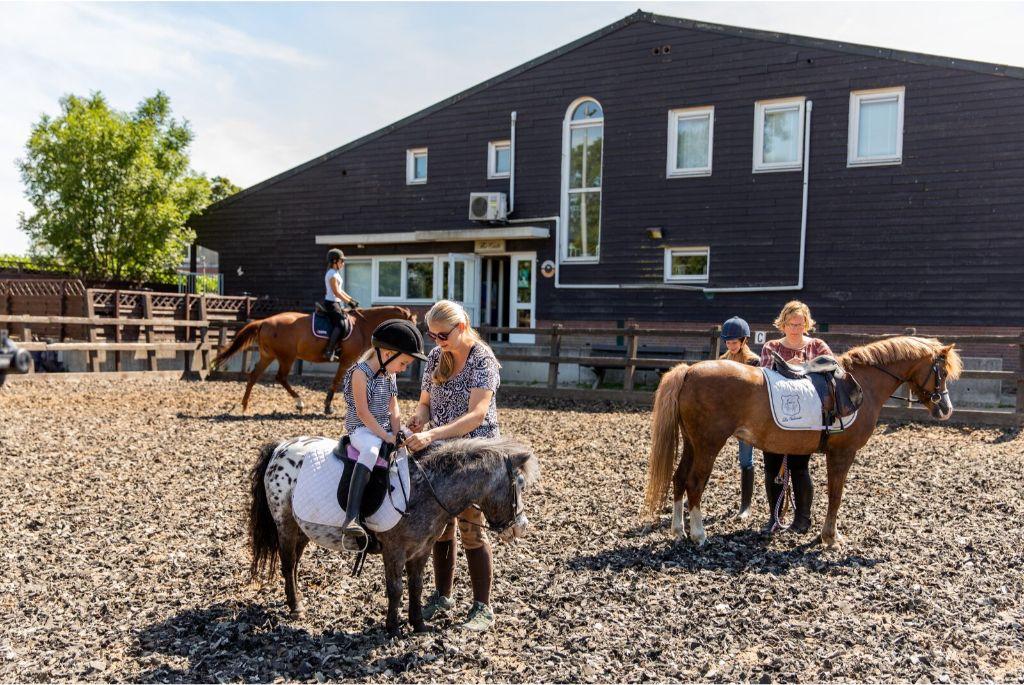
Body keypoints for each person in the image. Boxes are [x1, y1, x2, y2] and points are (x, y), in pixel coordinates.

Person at [404, 300, 502, 632]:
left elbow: (477, 415)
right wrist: (419, 419)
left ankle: (482, 606)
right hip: (439, 448)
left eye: (442, 334)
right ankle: (442, 595)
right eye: (431, 335)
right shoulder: (436, 357)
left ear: (461, 327)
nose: (436, 341)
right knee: (439, 526)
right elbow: (425, 403)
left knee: (471, 526)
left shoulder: (482, 358)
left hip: (472, 451)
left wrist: (432, 434)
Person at [338, 319, 428, 542]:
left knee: (414, 440)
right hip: (362, 429)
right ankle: (351, 517)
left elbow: (393, 407)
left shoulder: (390, 374)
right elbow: (362, 413)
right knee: (370, 451)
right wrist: (386, 436)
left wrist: (399, 433)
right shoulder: (360, 373)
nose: (404, 368)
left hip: (385, 427)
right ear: (388, 354)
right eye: (404, 363)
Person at [758, 300, 833, 534]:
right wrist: (786, 366)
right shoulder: (771, 346)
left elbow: (833, 368)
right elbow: (762, 377)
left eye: (800, 324)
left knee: (800, 467)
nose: (796, 329)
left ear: (806, 324)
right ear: (783, 324)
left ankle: (802, 519)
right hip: (775, 417)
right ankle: (775, 516)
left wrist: (808, 365)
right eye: (792, 324)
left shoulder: (817, 345)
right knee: (772, 467)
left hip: (805, 418)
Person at [718, 316, 760, 519]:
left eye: (734, 342)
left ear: (744, 341)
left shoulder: (753, 362)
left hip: (746, 418)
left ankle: (746, 506)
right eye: (727, 342)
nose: (730, 345)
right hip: (725, 417)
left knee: (746, 460)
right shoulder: (722, 362)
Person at [323, 248, 358, 362]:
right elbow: (336, 292)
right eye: (341, 261)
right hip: (331, 303)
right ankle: (329, 350)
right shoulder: (331, 274)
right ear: (334, 261)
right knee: (341, 323)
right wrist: (349, 302)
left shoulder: (336, 273)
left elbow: (341, 290)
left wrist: (351, 300)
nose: (343, 263)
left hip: (336, 302)